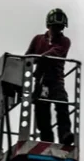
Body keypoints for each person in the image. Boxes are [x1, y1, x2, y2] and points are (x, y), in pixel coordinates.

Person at [26, 8, 75, 146]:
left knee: (62, 105)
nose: (57, 30)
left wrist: (40, 58)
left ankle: (65, 135)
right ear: (48, 25)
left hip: (56, 80)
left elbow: (55, 53)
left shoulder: (65, 41)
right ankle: (46, 140)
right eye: (55, 27)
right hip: (40, 81)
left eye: (60, 27)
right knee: (42, 111)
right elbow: (27, 57)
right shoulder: (38, 39)